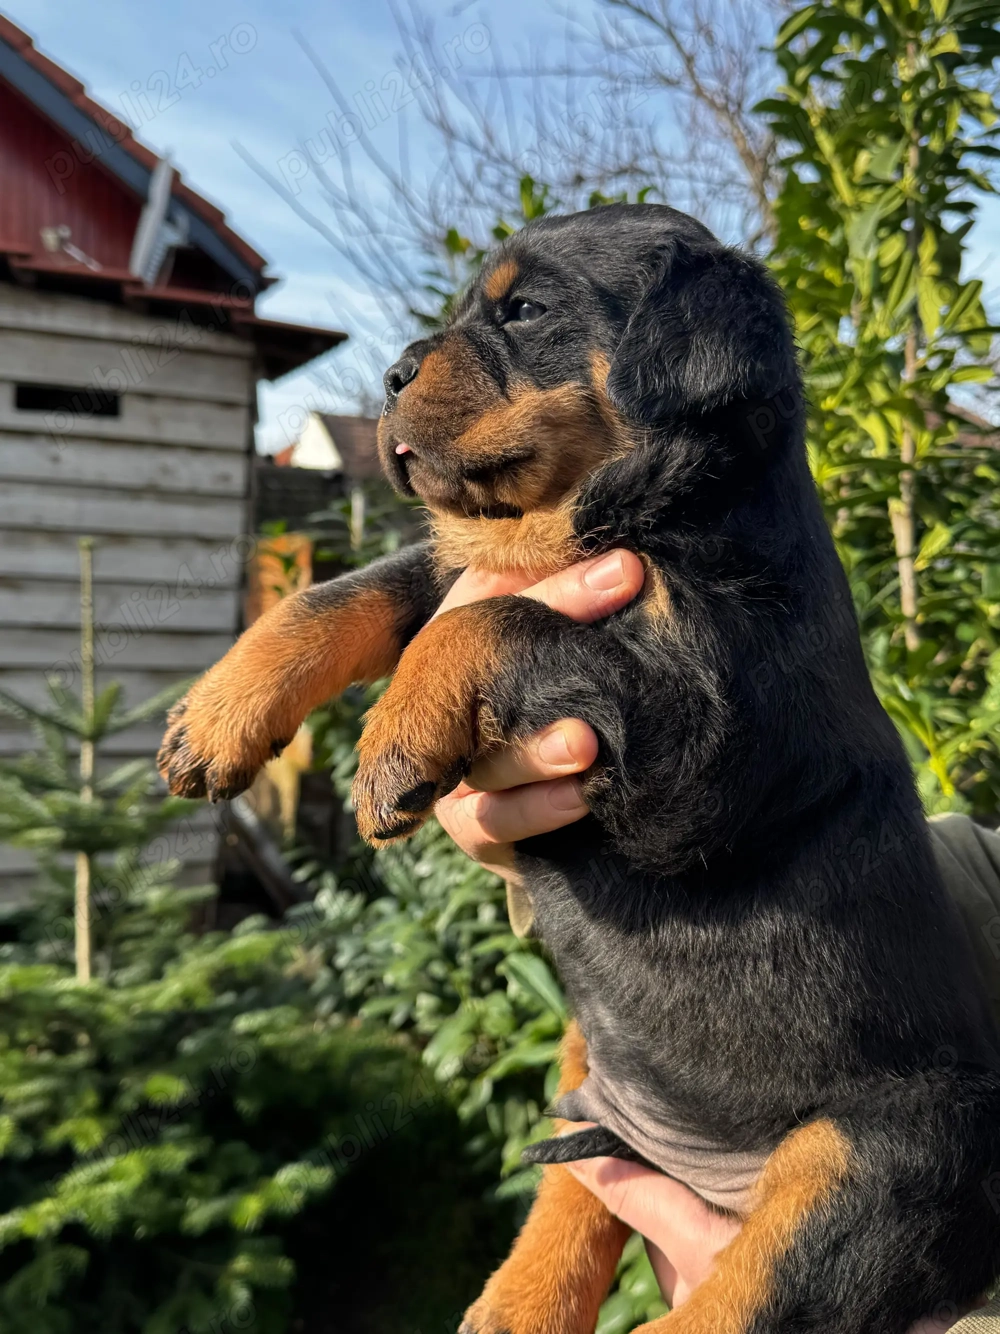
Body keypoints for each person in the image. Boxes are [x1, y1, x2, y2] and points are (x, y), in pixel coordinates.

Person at [431, 551, 1000, 1333]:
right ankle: (563, 1250)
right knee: (610, 1043)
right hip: (772, 1082)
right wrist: (589, 858)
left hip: (872, 1210)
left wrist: (803, 1300)